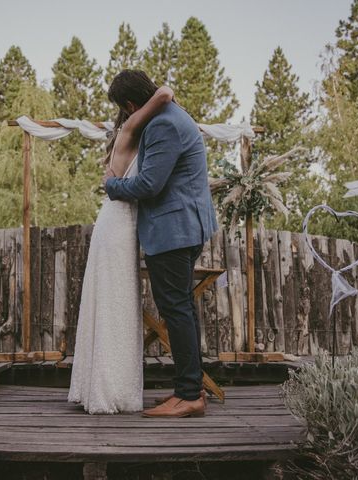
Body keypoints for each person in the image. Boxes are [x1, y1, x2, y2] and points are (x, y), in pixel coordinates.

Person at [104, 70, 218, 418]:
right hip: (183, 228)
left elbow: (149, 185)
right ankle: (189, 388)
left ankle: (188, 395)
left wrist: (111, 186)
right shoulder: (172, 116)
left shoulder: (162, 124)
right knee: (181, 308)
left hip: (173, 231)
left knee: (176, 310)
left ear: (129, 104)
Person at [68, 84, 175, 414]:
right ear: (131, 107)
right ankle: (108, 390)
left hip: (123, 224)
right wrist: (154, 100)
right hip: (118, 225)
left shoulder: (138, 135)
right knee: (115, 302)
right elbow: (166, 93)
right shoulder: (130, 128)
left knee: (118, 302)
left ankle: (106, 385)